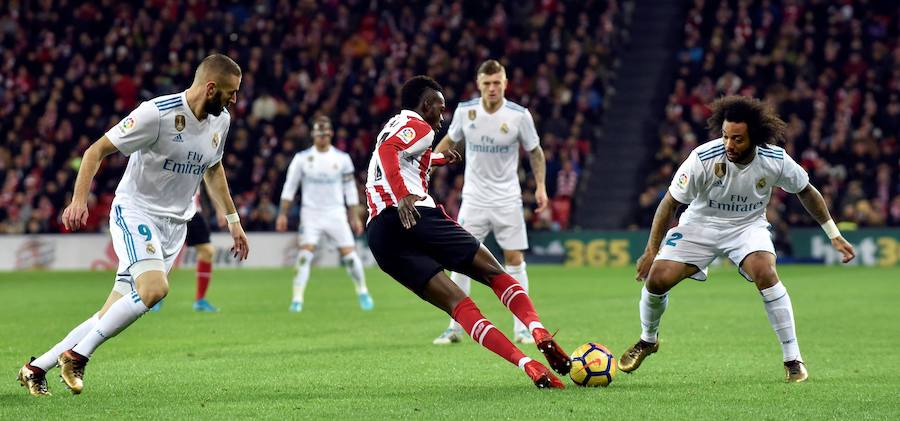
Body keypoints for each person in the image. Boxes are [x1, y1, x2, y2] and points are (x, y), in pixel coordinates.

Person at [17, 54, 250, 396]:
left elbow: (213, 170)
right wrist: (79, 199)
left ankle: (36, 368)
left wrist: (233, 221)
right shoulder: (156, 113)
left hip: (175, 226)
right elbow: (95, 151)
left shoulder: (221, 121)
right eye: (231, 92)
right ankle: (77, 356)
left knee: (110, 313)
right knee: (155, 290)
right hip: (136, 212)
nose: (234, 99)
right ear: (210, 87)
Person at [619, 96, 856, 383]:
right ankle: (648, 340)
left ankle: (793, 358)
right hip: (700, 225)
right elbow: (669, 203)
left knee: (766, 272)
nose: (729, 145)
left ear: (754, 138)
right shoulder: (703, 158)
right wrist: (650, 251)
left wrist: (834, 234)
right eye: (725, 136)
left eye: (738, 139)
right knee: (656, 279)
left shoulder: (774, 159)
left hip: (747, 226)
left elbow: (806, 190)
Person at [365, 75, 570, 389]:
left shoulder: (390, 127)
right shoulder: (418, 126)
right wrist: (403, 195)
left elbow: (399, 154)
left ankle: (527, 364)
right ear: (425, 105)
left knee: (458, 304)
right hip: (414, 213)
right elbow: (391, 153)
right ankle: (537, 329)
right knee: (495, 273)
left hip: (381, 236)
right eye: (440, 107)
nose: (442, 116)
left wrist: (440, 158)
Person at [432, 60, 547, 345]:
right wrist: (427, 167)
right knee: (460, 261)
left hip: (507, 198)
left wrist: (541, 187)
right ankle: (455, 327)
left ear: (505, 83)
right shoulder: (465, 111)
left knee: (514, 259)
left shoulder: (519, 116)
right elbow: (449, 141)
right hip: (474, 198)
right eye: (487, 83)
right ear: (479, 84)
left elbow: (535, 152)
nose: (492, 88)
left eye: (497, 83)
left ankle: (523, 327)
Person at [276, 116, 371, 313]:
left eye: (325, 132)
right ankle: (297, 299)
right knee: (304, 255)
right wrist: (283, 214)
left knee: (351, 257)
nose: (322, 136)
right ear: (313, 134)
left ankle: (362, 291)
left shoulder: (342, 159)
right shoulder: (302, 159)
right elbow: (290, 187)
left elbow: (350, 189)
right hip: (311, 214)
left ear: (331, 133)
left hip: (335, 213)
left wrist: (353, 216)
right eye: (319, 132)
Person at [149, 191, 220, 313]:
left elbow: (212, 179)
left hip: (193, 211)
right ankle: (156, 298)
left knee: (207, 251)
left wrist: (220, 209)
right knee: (165, 254)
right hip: (169, 210)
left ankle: (200, 300)